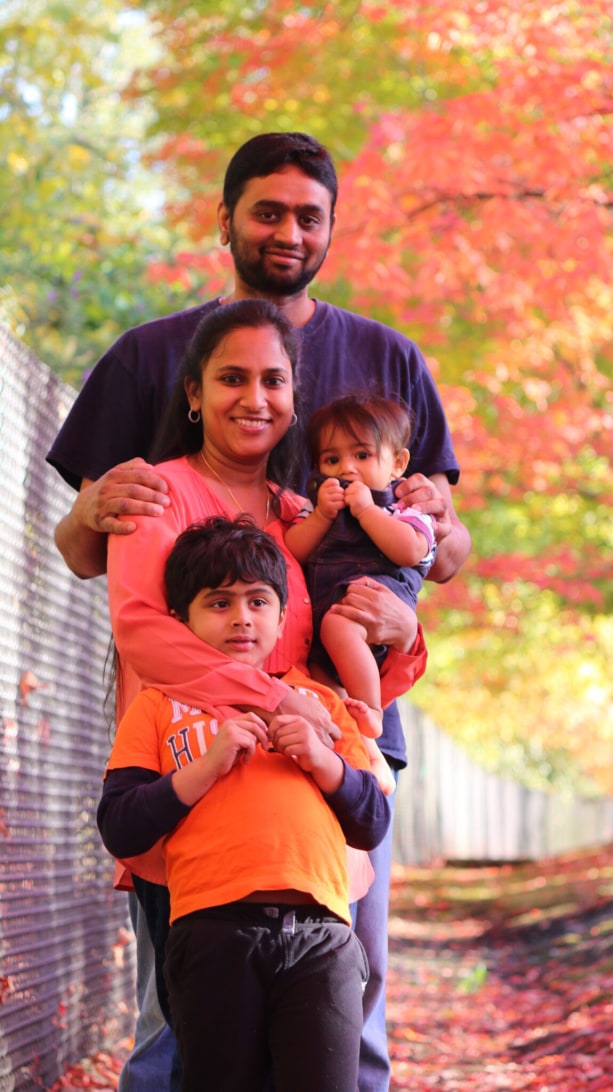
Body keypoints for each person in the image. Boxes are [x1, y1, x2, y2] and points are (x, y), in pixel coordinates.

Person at [48, 131, 470, 1092]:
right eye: (266, 211)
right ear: (225, 216)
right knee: (188, 1009)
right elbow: (86, 551)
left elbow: (441, 550)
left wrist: (406, 622)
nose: (286, 232)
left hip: (344, 742)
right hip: (191, 735)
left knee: (343, 999)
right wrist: (272, 704)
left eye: (307, 215)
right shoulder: (149, 357)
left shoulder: (386, 363)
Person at [105, 298, 424, 1047]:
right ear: (194, 394)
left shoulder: (302, 514)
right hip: (195, 803)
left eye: (274, 381)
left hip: (304, 825)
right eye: (231, 379)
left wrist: (405, 641)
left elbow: (341, 646)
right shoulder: (157, 491)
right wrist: (284, 699)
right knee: (179, 1040)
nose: (255, 399)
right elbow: (144, 633)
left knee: (331, 1033)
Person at [99, 513, 391, 1092]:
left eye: (258, 602)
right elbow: (120, 826)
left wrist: (322, 760)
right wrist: (202, 771)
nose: (241, 618)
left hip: (321, 934)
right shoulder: (160, 705)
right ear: (181, 619)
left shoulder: (317, 704)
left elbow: (373, 823)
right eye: (219, 603)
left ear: (283, 616)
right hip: (212, 933)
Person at [285, 393, 436, 790]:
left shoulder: (404, 511)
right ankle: (367, 748)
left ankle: (372, 711)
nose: (346, 468)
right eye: (332, 460)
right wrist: (320, 515)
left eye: (363, 456)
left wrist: (368, 511)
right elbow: (294, 548)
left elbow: (410, 550)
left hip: (371, 603)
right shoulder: (316, 506)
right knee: (320, 682)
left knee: (340, 625)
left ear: (397, 464)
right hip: (320, 618)